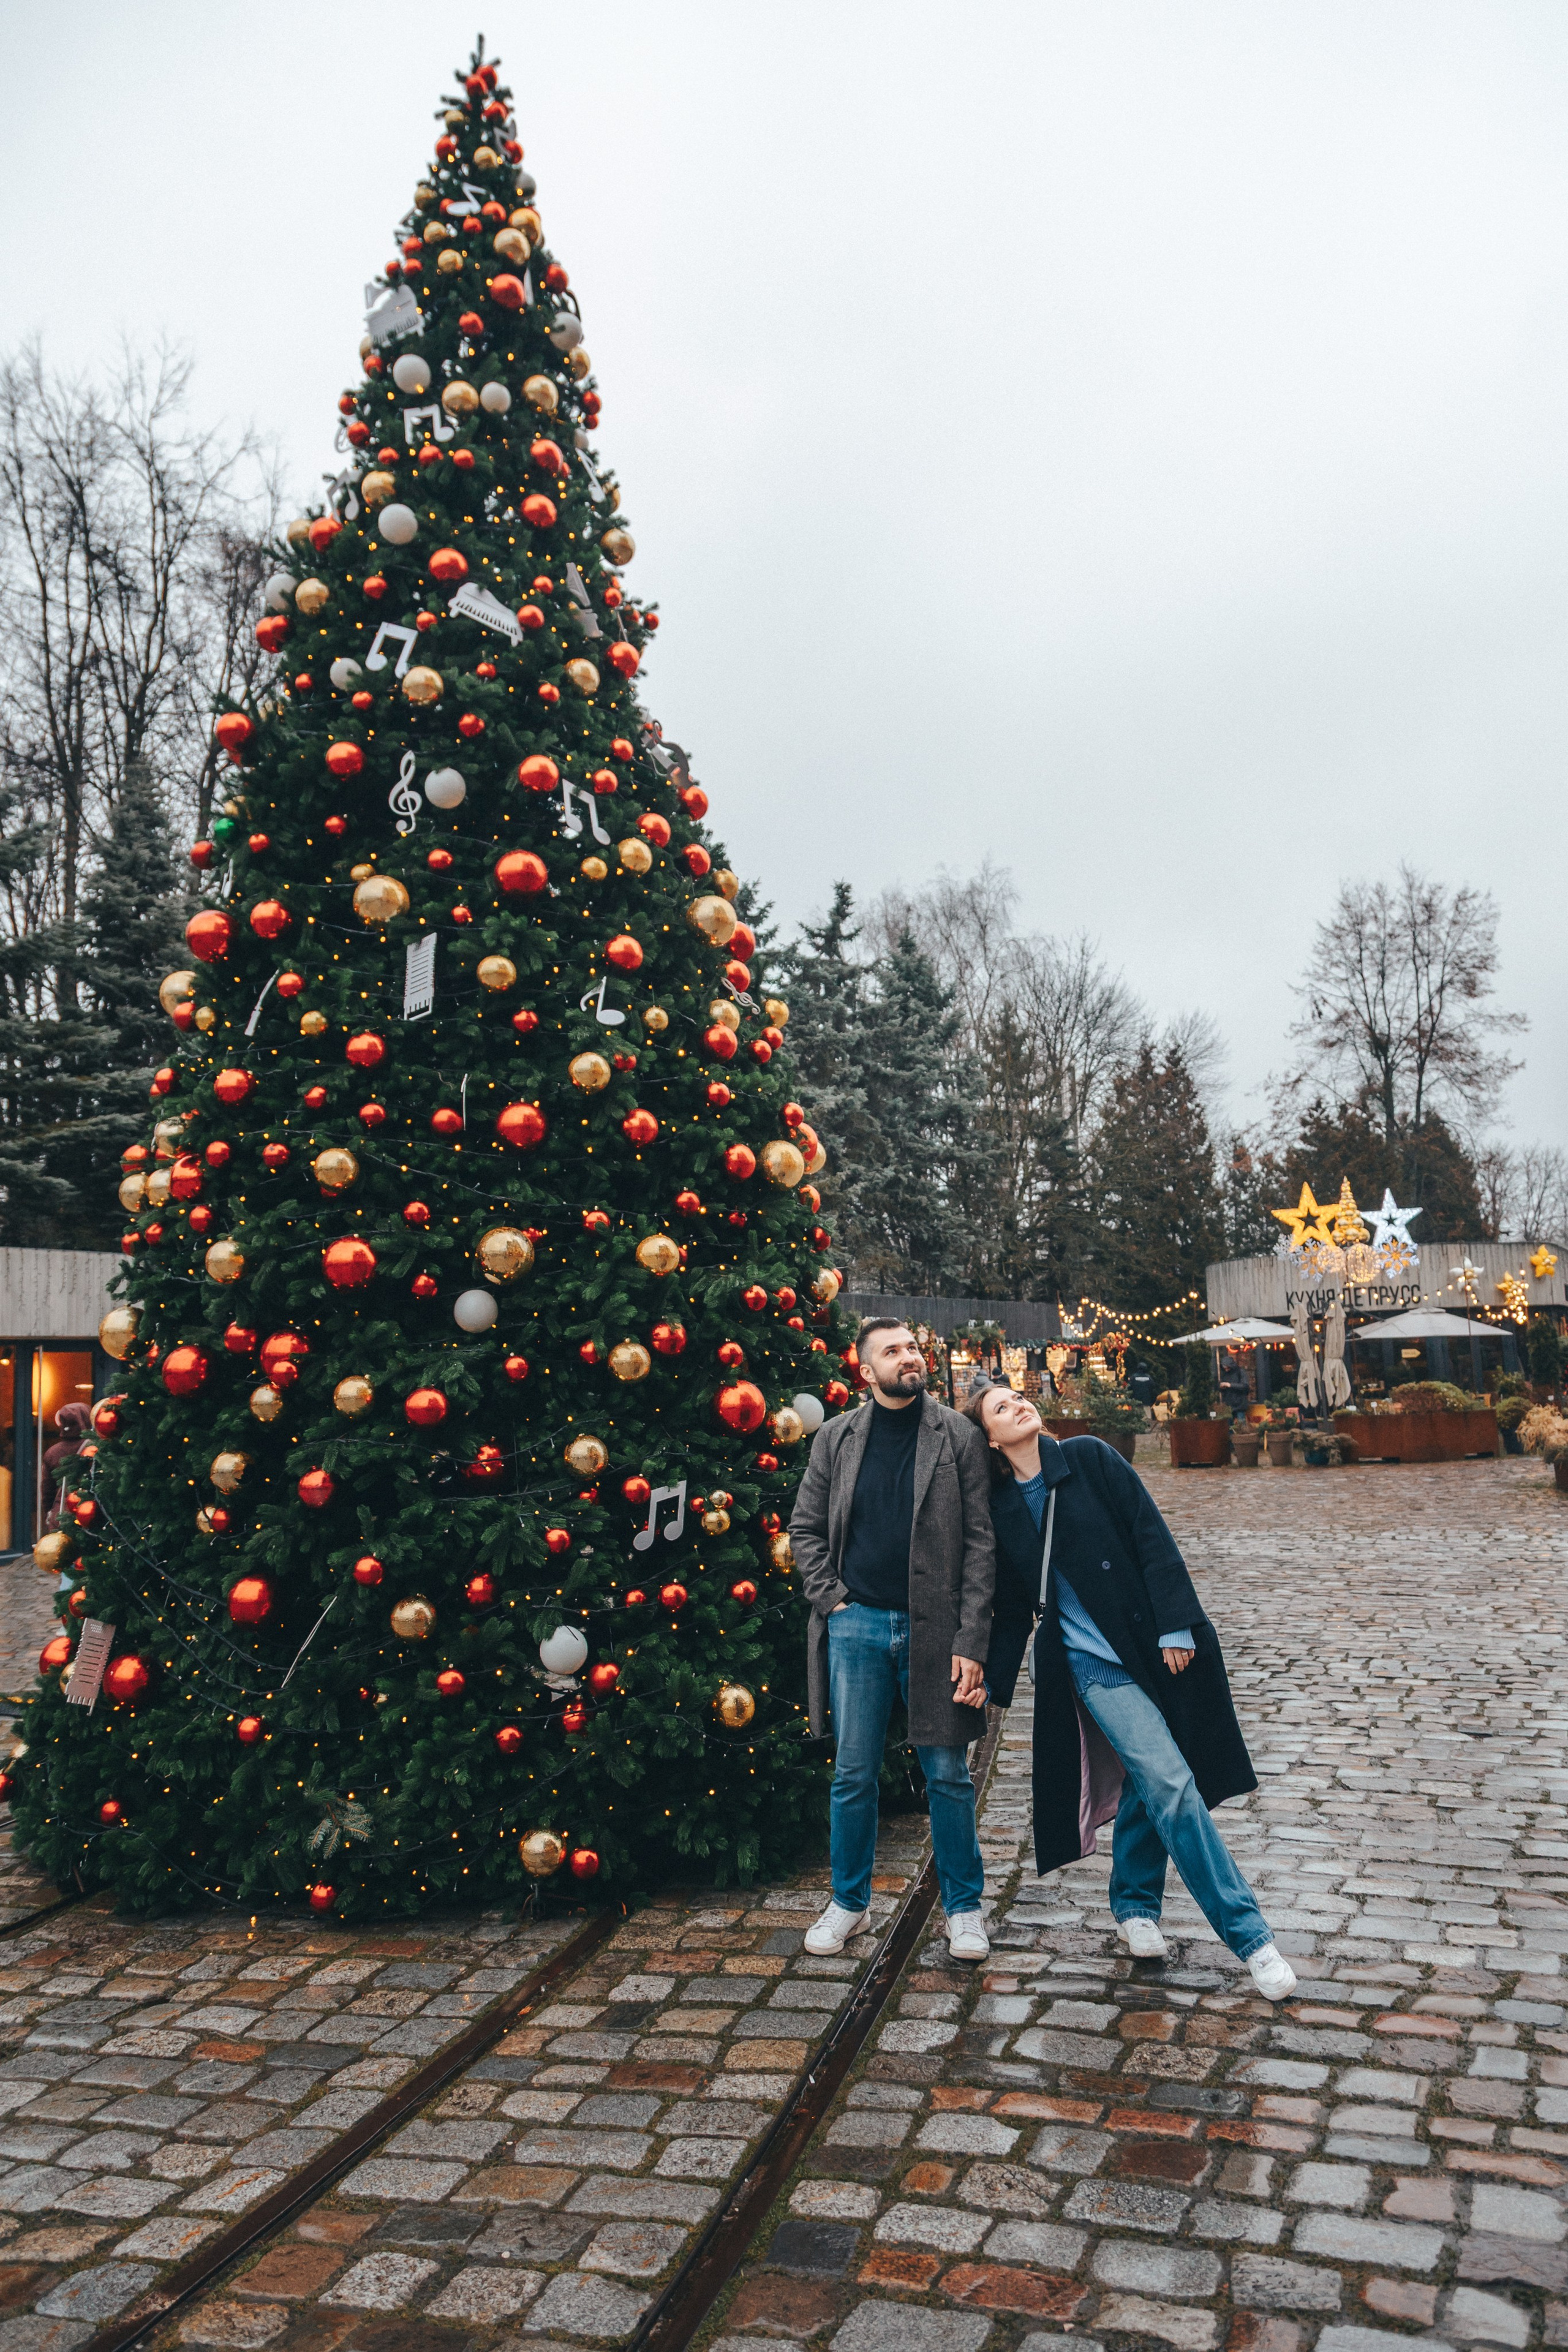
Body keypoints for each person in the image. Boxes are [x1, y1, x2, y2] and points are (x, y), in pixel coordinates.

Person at [965, 1380, 1296, 1999]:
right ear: (989, 1437)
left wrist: (1177, 1622)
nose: (1019, 1406)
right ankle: (1253, 1941)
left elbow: (1150, 1533)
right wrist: (989, 1676)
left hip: (1157, 1643)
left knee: (1157, 1778)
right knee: (1170, 1782)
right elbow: (1012, 1607)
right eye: (1001, 1408)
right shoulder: (1001, 1507)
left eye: (1018, 1397)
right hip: (1092, 1666)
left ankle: (1135, 1905)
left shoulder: (1089, 1457)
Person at [791, 1319, 996, 1961]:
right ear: (865, 1371)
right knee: (853, 1775)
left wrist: (972, 1639)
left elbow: (981, 1545)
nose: (909, 1357)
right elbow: (804, 1530)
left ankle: (964, 1910)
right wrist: (835, 1602)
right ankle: (848, 1903)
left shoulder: (957, 1435)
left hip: (938, 1633)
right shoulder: (836, 1438)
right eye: (893, 1351)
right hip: (857, 1628)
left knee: (948, 1774)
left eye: (912, 1347)